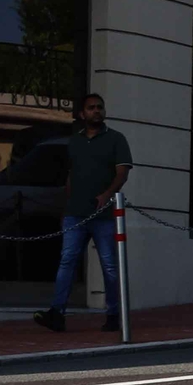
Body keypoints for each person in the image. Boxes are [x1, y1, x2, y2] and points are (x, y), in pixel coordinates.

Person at [33, 92, 133, 332]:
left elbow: (122, 172)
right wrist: (65, 207)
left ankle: (114, 315)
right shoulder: (75, 142)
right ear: (82, 114)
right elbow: (71, 176)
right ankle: (56, 313)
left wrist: (107, 195)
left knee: (109, 265)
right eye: (91, 108)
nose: (96, 111)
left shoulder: (116, 139)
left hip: (105, 215)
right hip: (75, 213)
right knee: (66, 262)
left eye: (100, 107)